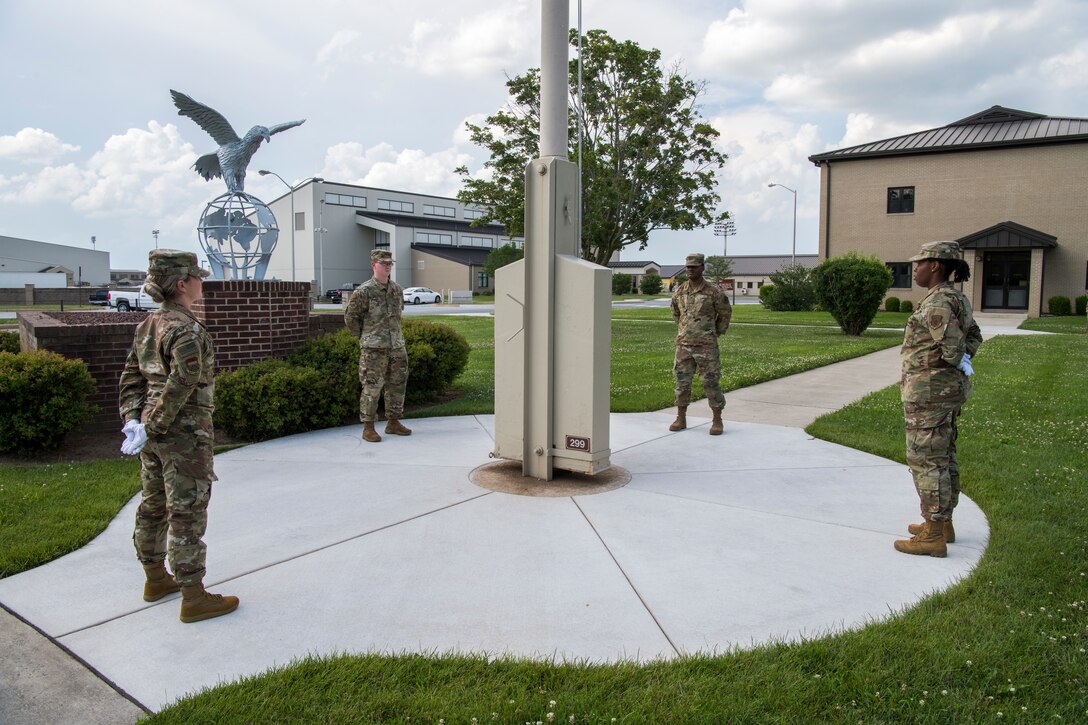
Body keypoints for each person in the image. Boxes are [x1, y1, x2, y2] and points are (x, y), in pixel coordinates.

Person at [118, 249, 239, 623]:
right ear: (182, 284)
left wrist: (134, 422)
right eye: (198, 277)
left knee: (154, 504)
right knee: (186, 513)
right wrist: (155, 423)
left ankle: (155, 579)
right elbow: (183, 380)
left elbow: (131, 378)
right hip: (183, 434)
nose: (203, 282)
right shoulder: (184, 328)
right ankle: (193, 596)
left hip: (152, 434)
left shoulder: (148, 325)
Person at [895, 240, 983, 558]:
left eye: (920, 263)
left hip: (929, 394)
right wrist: (961, 361)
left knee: (926, 460)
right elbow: (974, 336)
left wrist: (952, 360)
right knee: (943, 457)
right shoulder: (954, 297)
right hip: (943, 391)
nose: (915, 268)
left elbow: (954, 347)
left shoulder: (937, 304)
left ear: (935, 265)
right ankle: (942, 523)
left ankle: (933, 533)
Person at [345, 249, 411, 442]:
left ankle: (393, 422)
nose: (388, 266)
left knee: (397, 385)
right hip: (374, 349)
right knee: (372, 387)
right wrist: (366, 337)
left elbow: (398, 316)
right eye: (384, 263)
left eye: (390, 263)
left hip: (397, 346)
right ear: (374, 265)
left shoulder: (396, 289)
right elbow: (351, 318)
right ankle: (368, 427)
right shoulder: (364, 291)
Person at [669, 252, 732, 435]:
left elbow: (725, 313)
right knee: (682, 383)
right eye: (688, 267)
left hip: (706, 346)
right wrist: (684, 329)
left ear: (702, 268)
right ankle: (681, 417)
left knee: (711, 382)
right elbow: (675, 312)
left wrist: (716, 332)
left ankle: (717, 419)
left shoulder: (713, 291)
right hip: (684, 345)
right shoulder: (680, 290)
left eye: (694, 267)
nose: (690, 270)